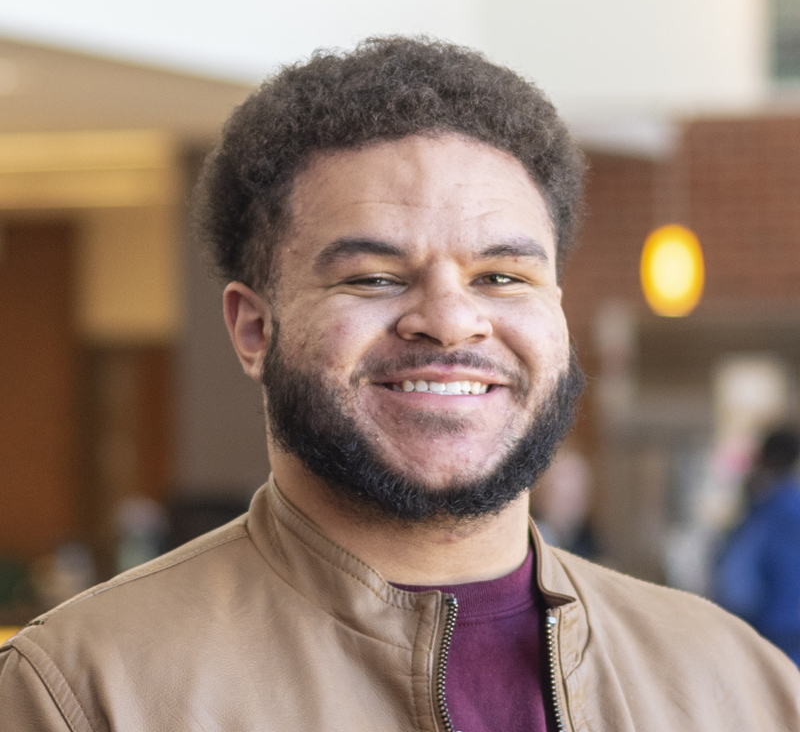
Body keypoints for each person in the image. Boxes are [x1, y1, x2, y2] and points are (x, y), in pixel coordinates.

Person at [1, 37, 798, 731]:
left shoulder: (740, 682)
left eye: (501, 275)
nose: (451, 322)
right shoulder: (82, 692)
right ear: (253, 328)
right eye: (376, 278)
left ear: (556, 311)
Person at [713, 427, 800, 668]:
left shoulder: (764, 514)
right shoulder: (790, 505)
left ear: (763, 459)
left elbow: (736, 586)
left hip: (770, 635)